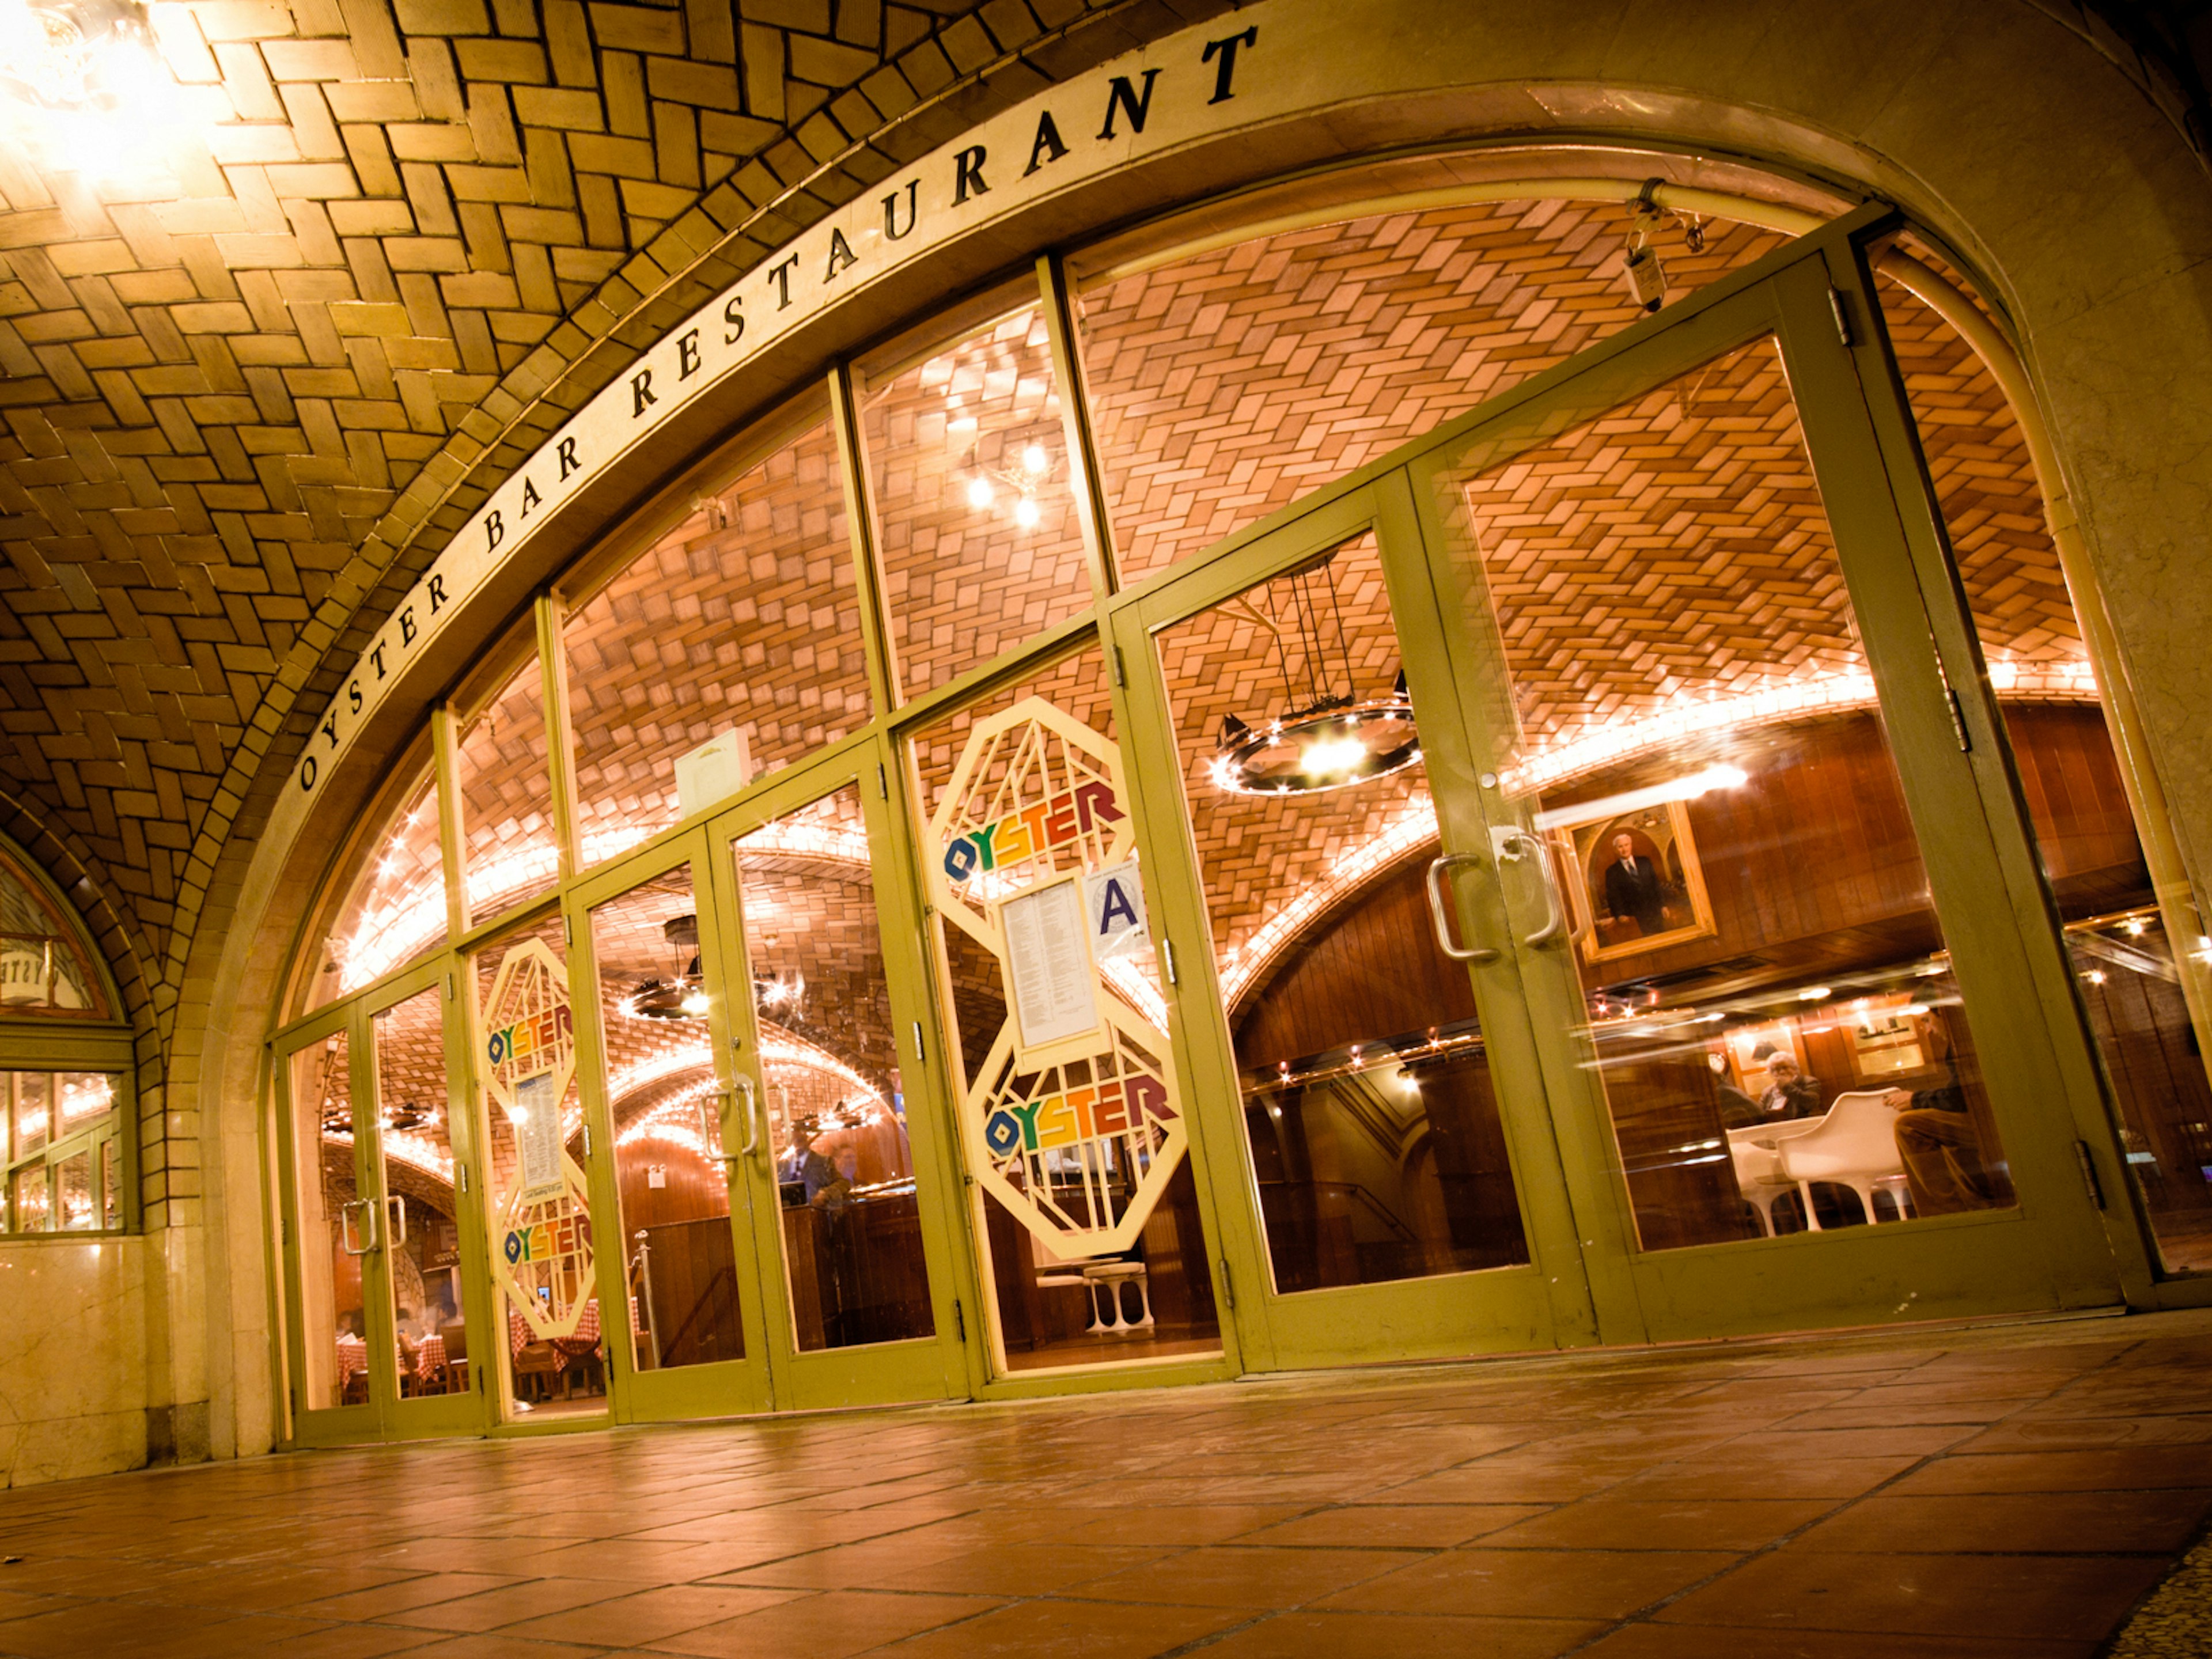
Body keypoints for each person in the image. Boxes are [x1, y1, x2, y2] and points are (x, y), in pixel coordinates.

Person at [1884, 1011, 1990, 1216]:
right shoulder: (1963, 1040)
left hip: (1988, 1119)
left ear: (1943, 1013)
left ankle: (1945, 1214)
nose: (1929, 1031)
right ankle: (1975, 1203)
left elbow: (1958, 1099)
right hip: (1984, 1117)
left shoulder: (1963, 1041)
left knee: (1909, 1125)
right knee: (1941, 1132)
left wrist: (1915, 1100)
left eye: (1927, 1021)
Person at [1601, 831, 1670, 936]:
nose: (1624, 849)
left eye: (1626, 845)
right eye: (1620, 847)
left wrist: (1663, 906)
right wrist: (1619, 915)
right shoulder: (1612, 872)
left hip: (1654, 911)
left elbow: (1656, 885)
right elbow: (1613, 896)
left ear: (1631, 845)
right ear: (1615, 850)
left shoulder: (1645, 862)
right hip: (1632, 917)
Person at [1754, 1047, 1823, 1122]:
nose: (1782, 1072)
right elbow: (1759, 1114)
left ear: (1795, 1068)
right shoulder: (1767, 1092)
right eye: (1777, 1069)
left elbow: (1811, 1104)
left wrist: (1787, 1087)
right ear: (1772, 1073)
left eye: (1785, 1068)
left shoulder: (1809, 1082)